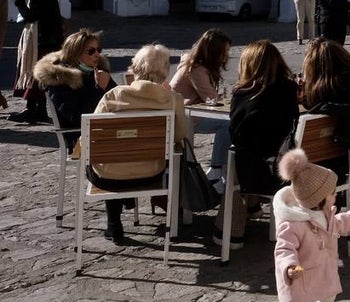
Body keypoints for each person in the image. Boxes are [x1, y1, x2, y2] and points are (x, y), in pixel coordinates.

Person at [92, 44, 190, 244]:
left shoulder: (113, 95)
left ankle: (114, 225)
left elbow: (93, 134)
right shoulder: (173, 100)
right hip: (151, 173)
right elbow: (179, 135)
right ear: (165, 72)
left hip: (108, 177)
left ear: (135, 68)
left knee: (114, 158)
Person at [216, 40, 299, 248]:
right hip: (284, 164)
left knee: (235, 156)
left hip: (254, 169)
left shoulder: (243, 93)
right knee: (248, 152)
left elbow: (236, 133)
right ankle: (252, 207)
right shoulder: (289, 88)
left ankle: (230, 232)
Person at [273, 148, 350, 302]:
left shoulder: (324, 213)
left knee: (328, 296)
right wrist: (289, 266)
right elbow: (284, 248)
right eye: (332, 193)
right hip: (301, 281)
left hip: (323, 274)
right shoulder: (293, 223)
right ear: (318, 199)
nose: (336, 194)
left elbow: (337, 224)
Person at [34, 29, 115, 148]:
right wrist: (99, 89)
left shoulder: (97, 71)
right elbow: (77, 117)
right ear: (75, 53)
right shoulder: (61, 79)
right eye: (91, 51)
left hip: (106, 130)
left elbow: (119, 98)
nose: (97, 54)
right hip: (80, 138)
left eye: (98, 50)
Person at [172, 29, 233, 184]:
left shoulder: (197, 65)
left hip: (191, 111)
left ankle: (224, 167)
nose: (227, 55)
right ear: (214, 52)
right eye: (224, 51)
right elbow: (210, 96)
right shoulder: (196, 69)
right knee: (227, 124)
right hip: (184, 116)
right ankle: (217, 168)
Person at [10, 0, 64, 124]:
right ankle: (39, 110)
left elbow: (31, 16)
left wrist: (19, 3)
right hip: (49, 40)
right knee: (42, 76)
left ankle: (32, 110)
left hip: (43, 41)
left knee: (36, 75)